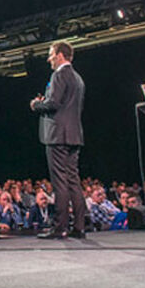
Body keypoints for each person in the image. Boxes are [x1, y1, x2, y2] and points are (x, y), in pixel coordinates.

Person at [30, 40, 86, 239]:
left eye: (51, 54)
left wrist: (37, 104)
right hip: (74, 135)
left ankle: (59, 227)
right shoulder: (78, 78)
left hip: (57, 136)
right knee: (73, 181)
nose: (49, 59)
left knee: (60, 182)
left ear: (61, 55)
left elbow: (53, 104)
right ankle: (79, 227)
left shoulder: (59, 75)